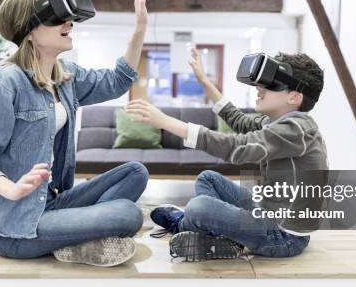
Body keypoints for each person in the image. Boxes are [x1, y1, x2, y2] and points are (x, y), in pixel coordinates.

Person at [0, 0, 149, 267]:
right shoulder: (5, 80)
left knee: (135, 172)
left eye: (69, 19)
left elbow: (117, 81)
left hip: (51, 202)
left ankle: (74, 237)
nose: (69, 24)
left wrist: (139, 29)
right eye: (57, 18)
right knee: (128, 215)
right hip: (16, 227)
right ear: (30, 31)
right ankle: (80, 236)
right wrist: (10, 189)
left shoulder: (66, 76)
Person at [125, 48, 328, 261]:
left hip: (284, 236)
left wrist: (167, 122)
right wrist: (204, 81)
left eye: (270, 84)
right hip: (266, 215)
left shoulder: (298, 129)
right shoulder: (276, 123)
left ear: (294, 97)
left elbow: (237, 147)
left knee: (198, 207)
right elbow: (239, 121)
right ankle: (216, 236)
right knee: (209, 179)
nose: (259, 88)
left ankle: (185, 225)